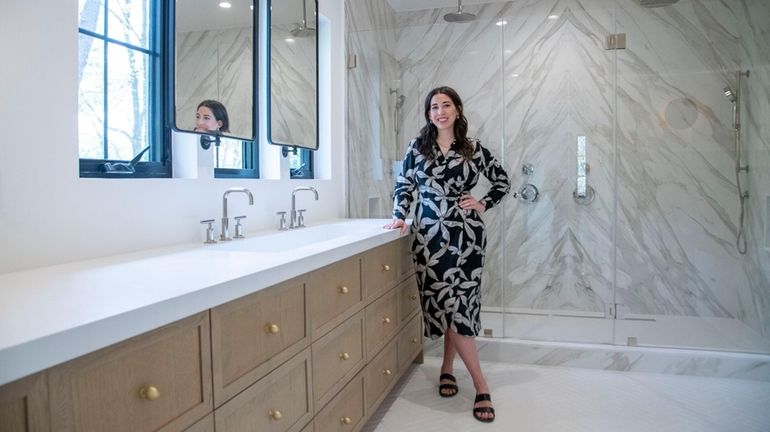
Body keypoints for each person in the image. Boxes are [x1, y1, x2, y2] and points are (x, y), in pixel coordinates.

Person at [384, 86, 510, 423]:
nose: (440, 111)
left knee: (460, 306)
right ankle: (446, 367)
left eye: (446, 105)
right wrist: (399, 213)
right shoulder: (418, 147)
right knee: (445, 305)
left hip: (467, 237)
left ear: (457, 110)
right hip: (429, 239)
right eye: (434, 107)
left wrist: (482, 203)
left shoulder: (472, 148)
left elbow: (501, 181)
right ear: (428, 114)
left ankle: (480, 385)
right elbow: (404, 185)